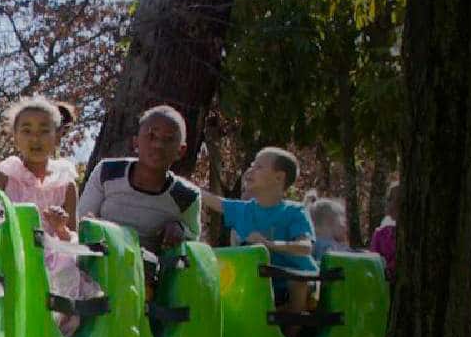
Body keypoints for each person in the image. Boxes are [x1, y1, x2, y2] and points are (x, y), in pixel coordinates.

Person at [0, 96, 95, 333]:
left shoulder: (66, 184)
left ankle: (53, 326)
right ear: (15, 136)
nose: (35, 139)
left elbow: (71, 238)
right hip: (11, 252)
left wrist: (60, 227)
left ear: (57, 136)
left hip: (52, 259)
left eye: (44, 131)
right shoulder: (4, 177)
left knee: (65, 265)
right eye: (26, 131)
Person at [201, 147, 316, 317]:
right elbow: (208, 199)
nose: (250, 170)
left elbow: (305, 247)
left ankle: (293, 329)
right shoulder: (243, 210)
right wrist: (175, 181)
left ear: (279, 177)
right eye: (252, 165)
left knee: (297, 284)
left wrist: (269, 244)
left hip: (296, 283)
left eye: (258, 167)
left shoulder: (294, 212)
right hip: (261, 284)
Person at [75, 105, 201, 254]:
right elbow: (81, 223)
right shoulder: (107, 172)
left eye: (169, 139)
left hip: (151, 266)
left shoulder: (186, 196)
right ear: (135, 142)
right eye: (151, 136)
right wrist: (92, 225)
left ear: (181, 151)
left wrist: (180, 230)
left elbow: (193, 244)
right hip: (101, 259)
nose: (158, 145)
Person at [369, 182, 399, 278]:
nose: (388, 203)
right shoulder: (380, 234)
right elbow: (372, 263)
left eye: (398, 200)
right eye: (389, 199)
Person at [308, 196, 350, 263]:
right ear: (329, 221)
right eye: (342, 221)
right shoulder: (327, 246)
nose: (345, 227)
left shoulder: (314, 242)